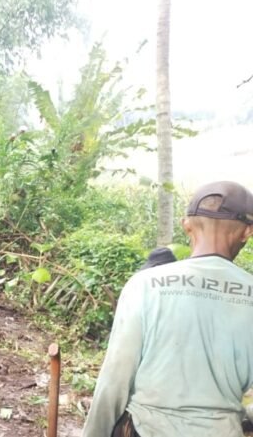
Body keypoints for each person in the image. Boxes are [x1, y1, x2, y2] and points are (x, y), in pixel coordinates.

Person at [82, 181, 253, 437]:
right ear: (247, 232)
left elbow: (115, 377)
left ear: (186, 225)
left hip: (144, 429)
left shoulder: (146, 284)